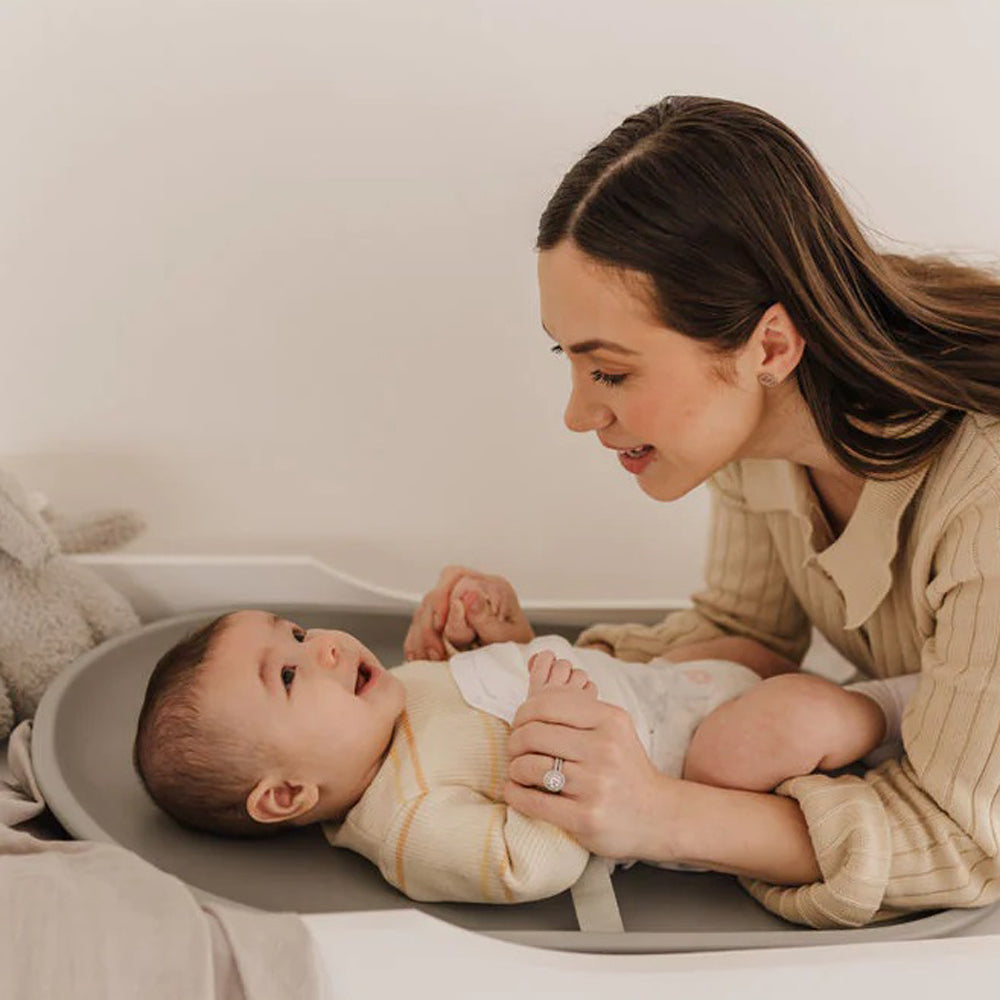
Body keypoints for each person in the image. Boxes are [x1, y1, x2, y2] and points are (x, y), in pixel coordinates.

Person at [403, 95, 1000, 928]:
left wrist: (659, 814)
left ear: (770, 346)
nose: (578, 414)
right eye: (569, 361)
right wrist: (537, 673)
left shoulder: (986, 500)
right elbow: (749, 630)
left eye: (609, 372)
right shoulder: (760, 424)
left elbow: (959, 840)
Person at [132, 600, 912, 904]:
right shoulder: (408, 821)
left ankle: (847, 701)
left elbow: (490, 692)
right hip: (693, 763)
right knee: (784, 724)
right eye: (293, 672)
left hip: (662, 687)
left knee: (746, 647)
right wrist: (556, 725)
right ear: (287, 794)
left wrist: (497, 643)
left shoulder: (392, 696)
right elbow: (530, 866)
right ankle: (900, 708)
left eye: (297, 632)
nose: (328, 647)